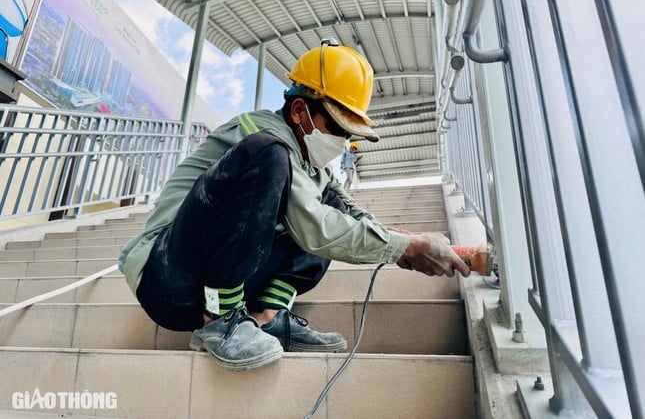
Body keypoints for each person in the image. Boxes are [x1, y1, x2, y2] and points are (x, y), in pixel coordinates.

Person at [118, 39, 470, 372]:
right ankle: (221, 319)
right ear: (300, 110)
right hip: (167, 276)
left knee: (332, 205)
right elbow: (312, 225)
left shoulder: (312, 168)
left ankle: (266, 318)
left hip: (216, 275)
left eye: (348, 134)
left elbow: (350, 216)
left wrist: (404, 242)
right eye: (336, 127)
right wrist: (403, 247)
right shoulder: (262, 136)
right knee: (272, 161)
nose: (341, 142)